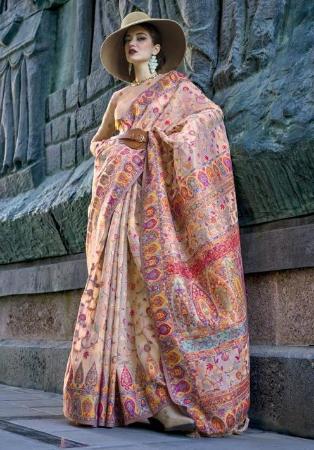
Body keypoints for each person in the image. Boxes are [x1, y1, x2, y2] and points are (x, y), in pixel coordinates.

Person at [63, 11, 250, 437]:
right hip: (123, 200)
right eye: (129, 39)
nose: (134, 44)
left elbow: (208, 119)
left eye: (141, 38)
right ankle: (123, 394)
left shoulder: (178, 89)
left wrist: (163, 141)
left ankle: (162, 398)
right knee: (122, 290)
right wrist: (119, 151)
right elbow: (99, 144)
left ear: (157, 46)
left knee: (153, 288)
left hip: (159, 202)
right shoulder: (119, 101)